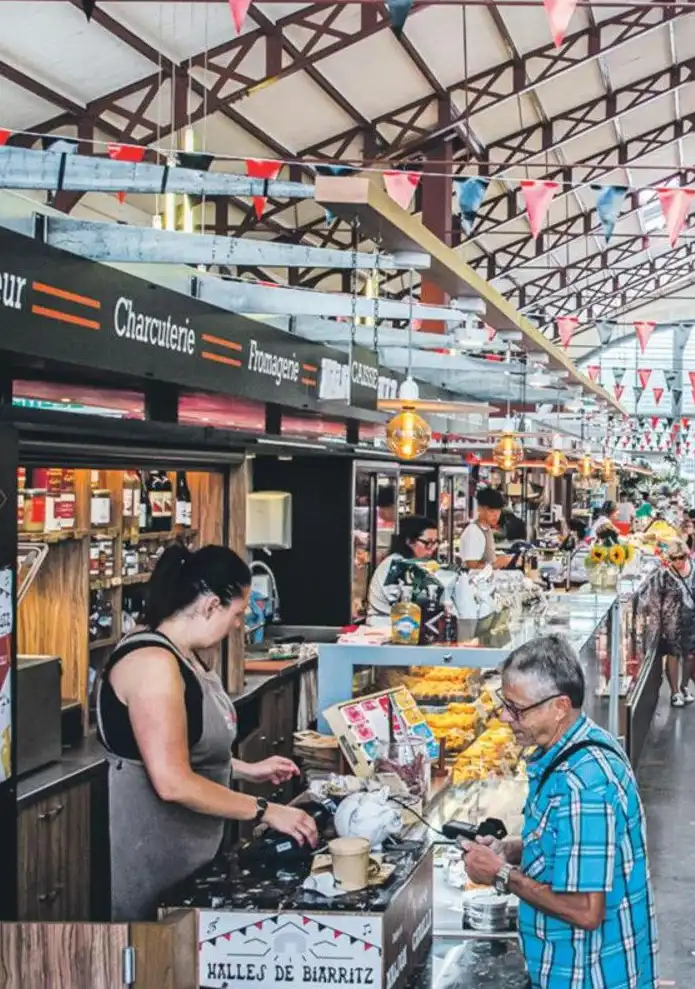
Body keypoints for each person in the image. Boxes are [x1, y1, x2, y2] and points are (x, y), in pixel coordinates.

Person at [96, 543, 318, 920]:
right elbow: (172, 781)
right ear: (211, 604)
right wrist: (265, 811)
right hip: (155, 861)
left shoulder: (188, 656)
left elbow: (182, 747)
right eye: (238, 613)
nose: (239, 625)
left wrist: (245, 770)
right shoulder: (152, 664)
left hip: (194, 855)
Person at [461, 635, 658, 989]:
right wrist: (514, 849)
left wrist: (502, 874)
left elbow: (585, 910)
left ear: (559, 707)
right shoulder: (582, 746)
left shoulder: (581, 784)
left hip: (589, 975)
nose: (506, 717)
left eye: (517, 709)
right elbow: (571, 841)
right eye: (504, 704)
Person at [367, 515, 438, 620]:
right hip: (385, 625)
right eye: (427, 543)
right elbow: (403, 604)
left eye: (436, 542)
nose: (432, 549)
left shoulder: (413, 564)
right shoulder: (395, 565)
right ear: (409, 541)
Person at [659, 538, 695, 708]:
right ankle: (675, 692)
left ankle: (684, 686)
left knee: (690, 655)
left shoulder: (694, 568)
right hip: (672, 619)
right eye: (674, 558)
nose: (679, 561)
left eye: (682, 557)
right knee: (673, 654)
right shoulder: (665, 574)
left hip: (692, 617)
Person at [459, 487, 513, 570]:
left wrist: (502, 559)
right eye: (491, 511)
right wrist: (498, 563)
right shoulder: (474, 532)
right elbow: (472, 568)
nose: (496, 515)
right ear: (480, 509)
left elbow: (486, 558)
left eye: (498, 511)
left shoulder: (486, 528)